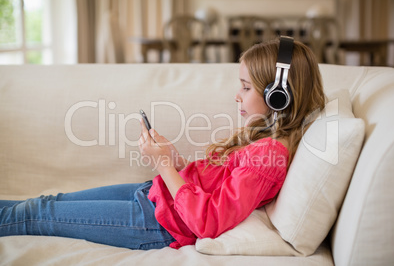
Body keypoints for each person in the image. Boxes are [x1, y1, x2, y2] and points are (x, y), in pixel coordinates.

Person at [0, 37, 326, 250]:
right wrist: (177, 163)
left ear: (278, 96)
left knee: (39, 213)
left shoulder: (271, 155)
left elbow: (208, 221)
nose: (236, 96)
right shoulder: (263, 139)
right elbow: (216, 186)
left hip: (158, 223)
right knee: (46, 202)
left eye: (245, 88)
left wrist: (164, 165)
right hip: (154, 196)